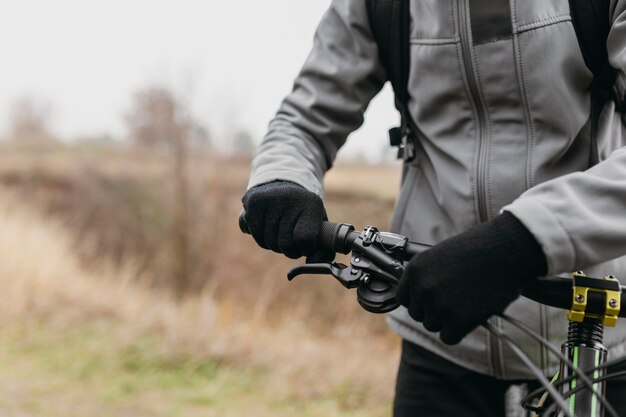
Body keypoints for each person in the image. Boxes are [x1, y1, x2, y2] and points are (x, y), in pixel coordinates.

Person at [241, 0, 626, 415]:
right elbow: (304, 119)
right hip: (439, 346)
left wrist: (521, 242)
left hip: (595, 341)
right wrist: (283, 178)